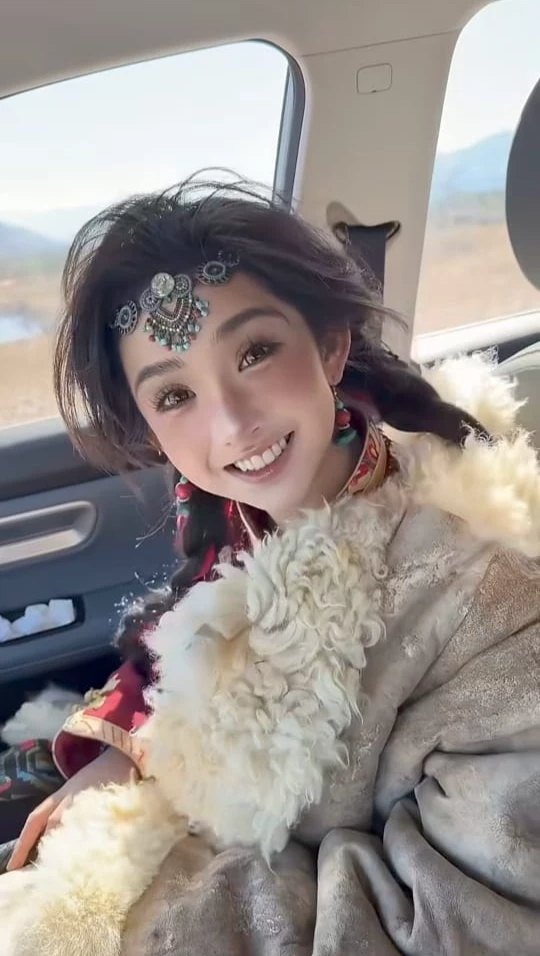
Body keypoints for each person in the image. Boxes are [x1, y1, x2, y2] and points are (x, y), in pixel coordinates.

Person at [5, 177, 540, 956]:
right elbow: (172, 643)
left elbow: (468, 917)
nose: (231, 423)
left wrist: (149, 918)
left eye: (254, 353)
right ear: (151, 430)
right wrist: (121, 757)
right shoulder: (230, 518)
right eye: (175, 395)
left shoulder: (486, 582)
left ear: (330, 346)